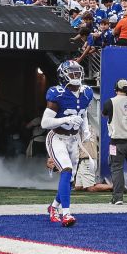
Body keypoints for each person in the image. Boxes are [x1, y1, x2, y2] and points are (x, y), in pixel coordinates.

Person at [42, 60, 94, 227]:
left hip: (73, 139)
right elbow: (45, 122)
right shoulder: (56, 93)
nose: (76, 75)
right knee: (66, 169)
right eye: (71, 72)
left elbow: (83, 113)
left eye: (77, 72)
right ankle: (66, 214)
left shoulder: (87, 92)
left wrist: (85, 130)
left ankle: (54, 207)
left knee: (70, 180)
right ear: (63, 75)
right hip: (57, 137)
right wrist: (66, 119)